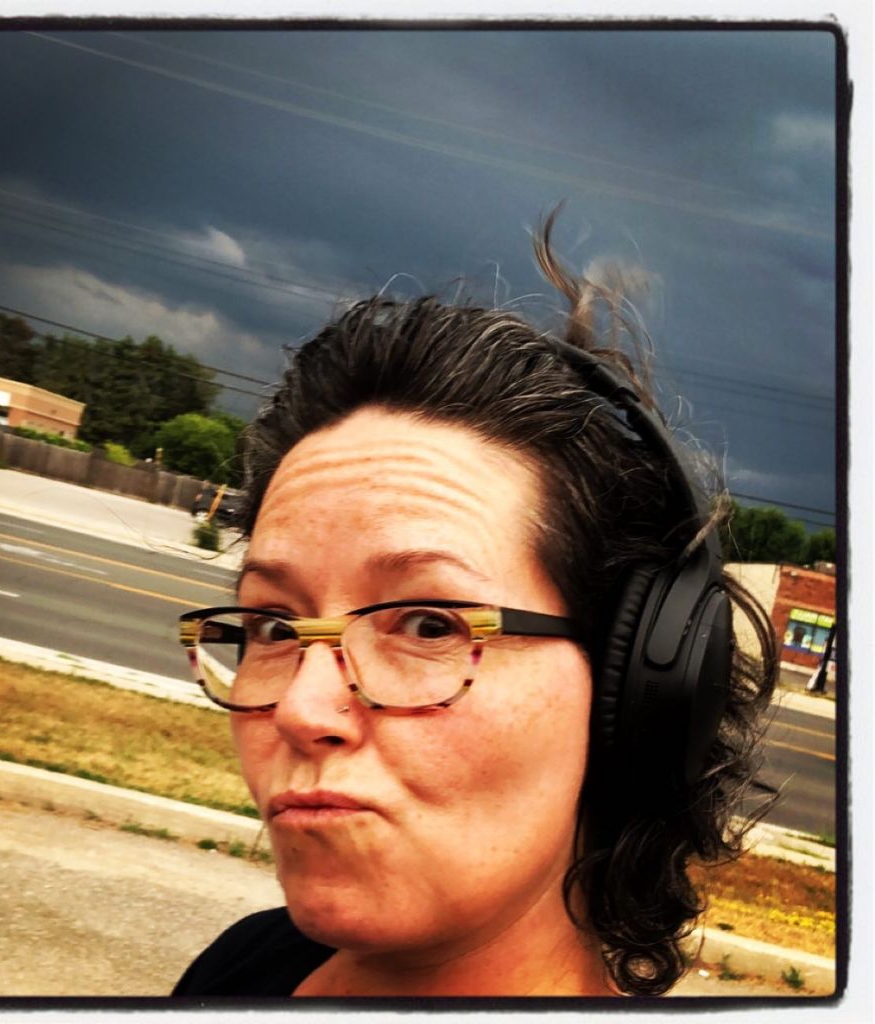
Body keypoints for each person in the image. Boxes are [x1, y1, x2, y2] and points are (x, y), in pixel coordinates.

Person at [171, 213, 777, 998]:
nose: (298, 708)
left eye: (428, 623)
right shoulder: (246, 966)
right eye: (274, 626)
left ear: (638, 703)